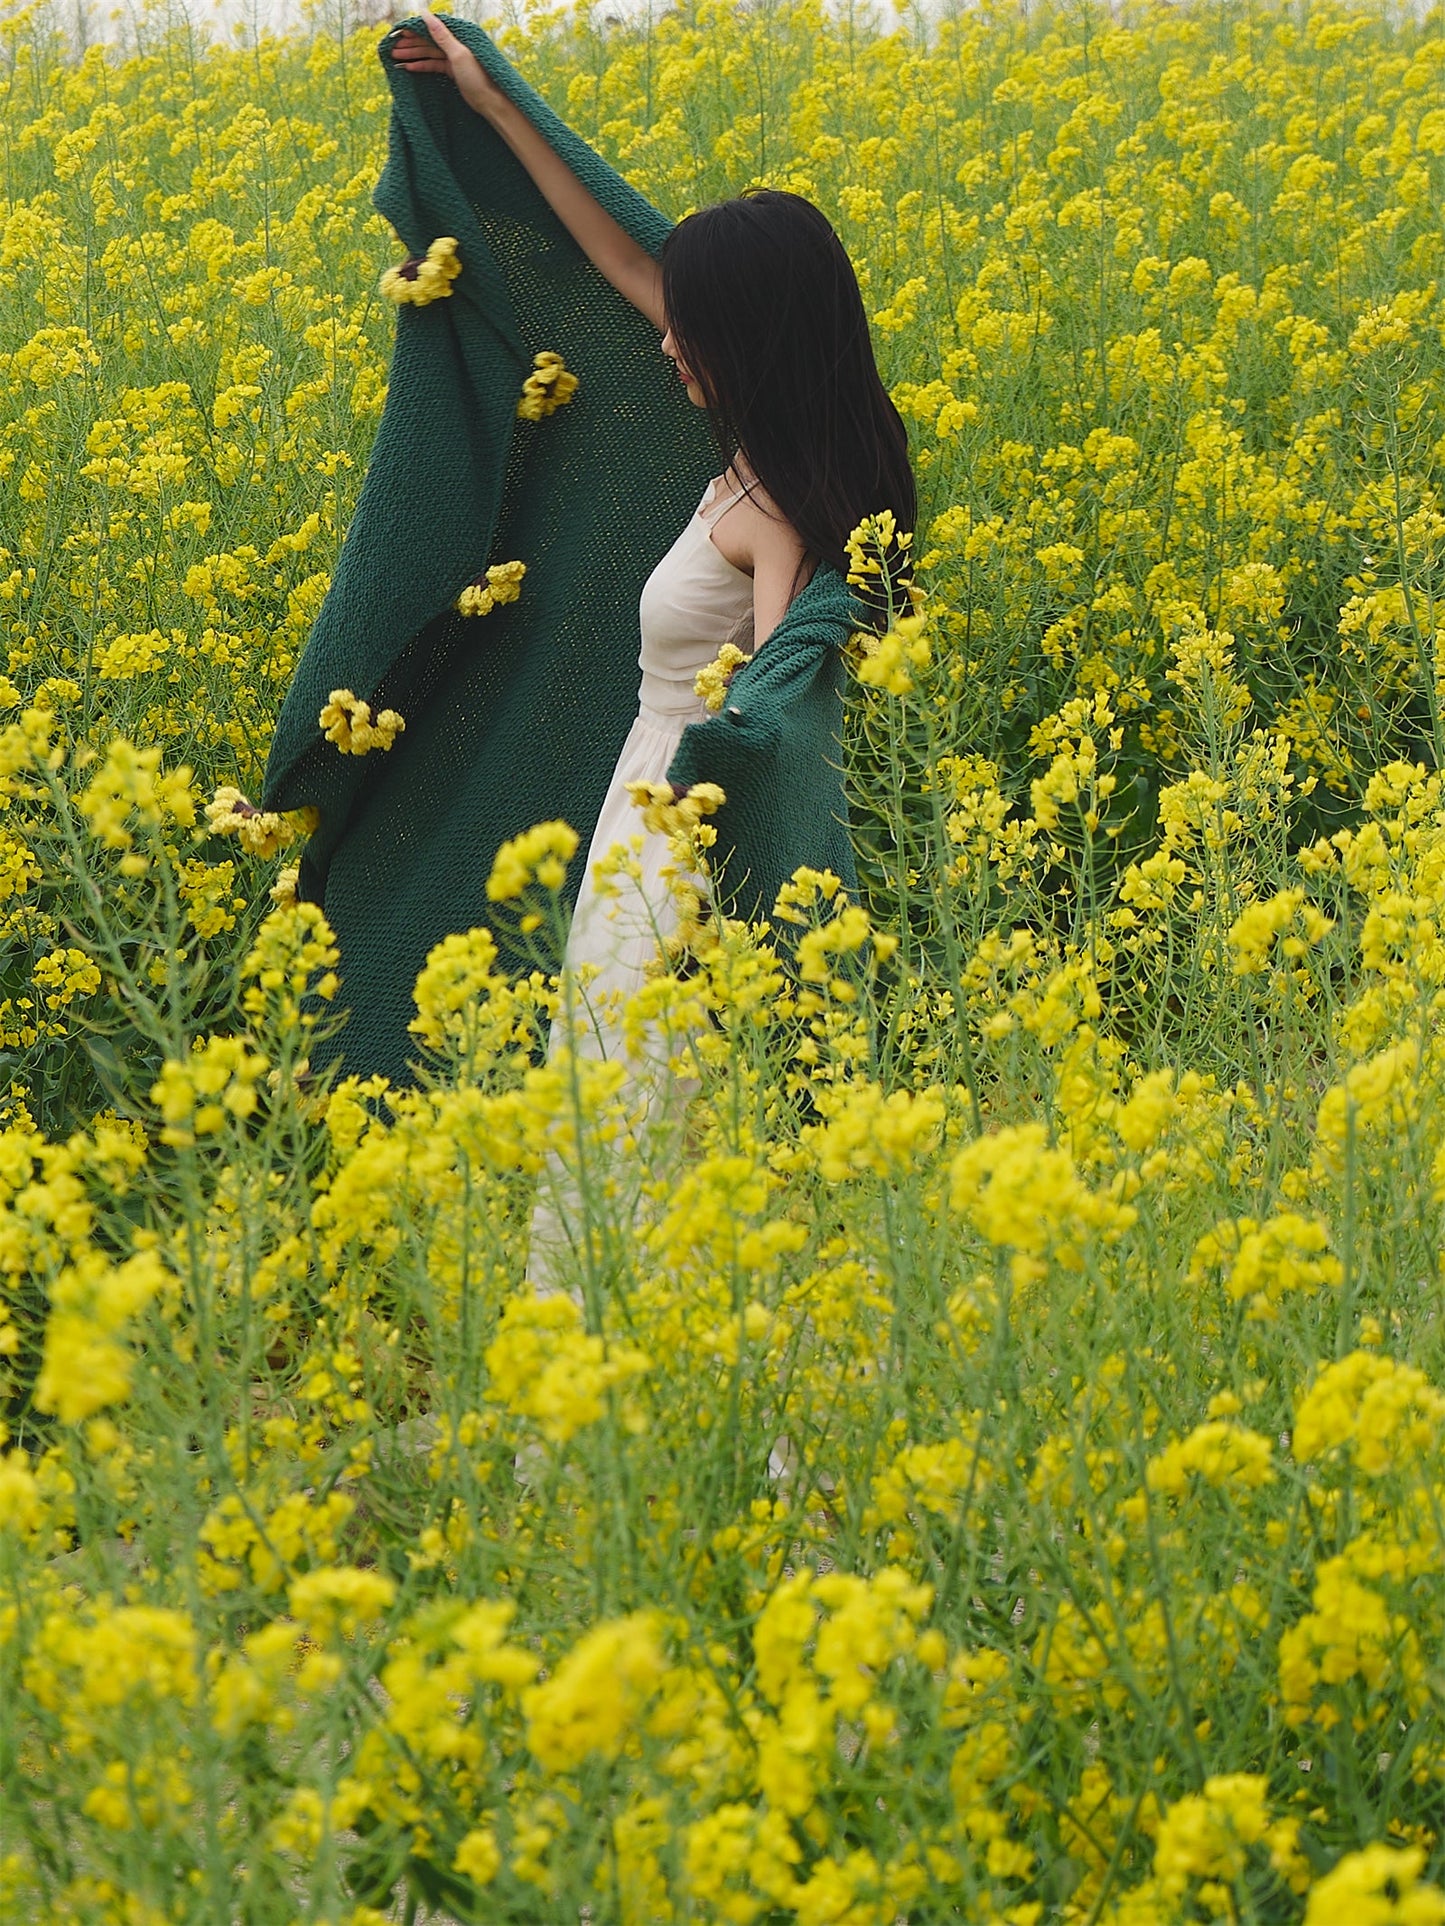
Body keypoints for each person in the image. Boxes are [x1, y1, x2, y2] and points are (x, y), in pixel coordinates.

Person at [382, 13, 916, 1285]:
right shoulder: (742, 453)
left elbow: (777, 718)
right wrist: (493, 101)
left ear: (759, 342)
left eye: (694, 329)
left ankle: (649, 1380)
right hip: (642, 806)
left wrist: (713, 891)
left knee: (637, 1101)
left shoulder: (782, 509)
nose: (666, 338)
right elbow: (620, 257)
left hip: (682, 836)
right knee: (608, 1091)